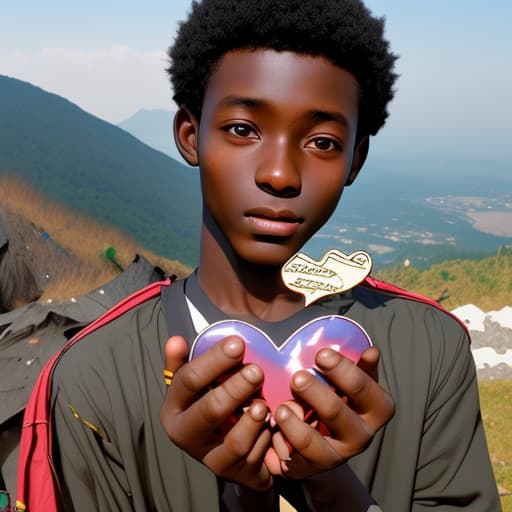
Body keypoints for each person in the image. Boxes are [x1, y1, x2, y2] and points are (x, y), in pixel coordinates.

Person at [17, 0, 500, 510]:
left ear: (355, 159)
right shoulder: (91, 378)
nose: (280, 174)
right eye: (243, 130)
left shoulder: (430, 351)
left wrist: (334, 488)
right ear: (190, 135)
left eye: (322, 141)